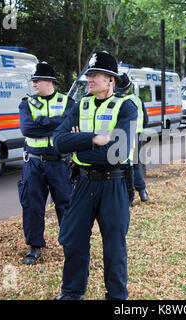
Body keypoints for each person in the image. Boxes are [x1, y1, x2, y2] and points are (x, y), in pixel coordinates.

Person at [52, 51, 138, 300]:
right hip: (83, 183)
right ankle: (71, 293)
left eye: (95, 75)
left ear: (110, 80)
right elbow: (58, 141)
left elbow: (116, 152)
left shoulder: (127, 107)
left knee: (114, 247)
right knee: (73, 241)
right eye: (88, 74)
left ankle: (117, 297)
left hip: (115, 184)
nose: (89, 79)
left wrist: (77, 143)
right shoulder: (80, 105)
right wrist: (94, 138)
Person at [18, 62, 75, 265]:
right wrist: (56, 124)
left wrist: (42, 121)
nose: (34, 84)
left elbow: (70, 124)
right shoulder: (26, 103)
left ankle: (70, 244)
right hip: (33, 163)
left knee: (66, 205)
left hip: (60, 163)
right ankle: (34, 246)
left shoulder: (68, 101)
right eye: (33, 80)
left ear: (49, 81)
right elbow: (27, 129)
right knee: (32, 205)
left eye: (37, 80)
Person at [116, 72, 150, 204]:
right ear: (128, 87)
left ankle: (128, 197)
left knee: (125, 165)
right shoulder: (137, 99)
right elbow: (146, 120)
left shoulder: (118, 101)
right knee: (135, 164)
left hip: (124, 135)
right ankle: (142, 192)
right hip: (138, 135)